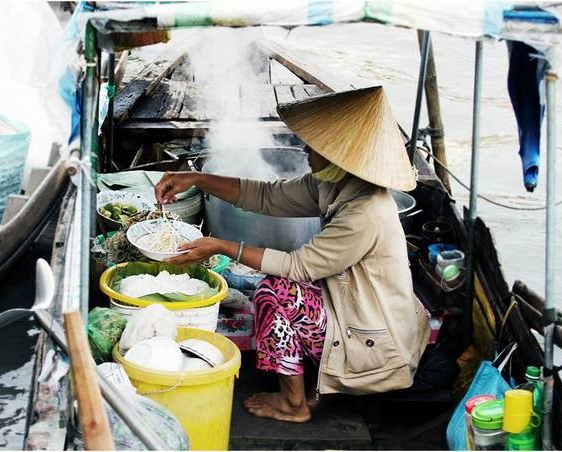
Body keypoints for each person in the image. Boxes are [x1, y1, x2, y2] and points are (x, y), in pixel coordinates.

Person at [154, 86, 430, 423]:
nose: (304, 150)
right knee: (277, 288)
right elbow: (268, 196)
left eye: (314, 147)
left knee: (275, 292)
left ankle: (293, 404)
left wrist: (222, 246)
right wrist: (197, 178)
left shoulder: (365, 212)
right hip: (354, 308)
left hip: (376, 343)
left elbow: (297, 267)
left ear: (339, 156)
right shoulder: (338, 184)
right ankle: (310, 383)